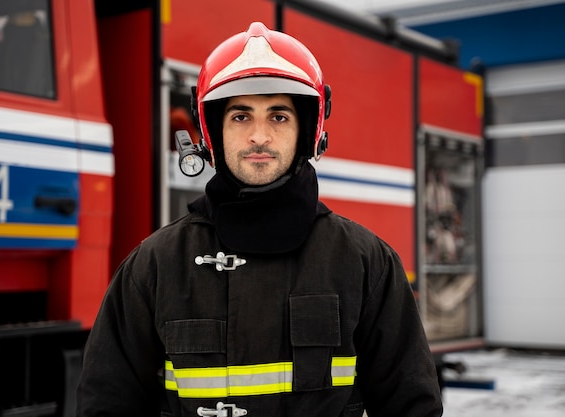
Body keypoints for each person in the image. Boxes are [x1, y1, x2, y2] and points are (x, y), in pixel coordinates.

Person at [77, 22, 443, 417]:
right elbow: (106, 405)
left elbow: (412, 408)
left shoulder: (366, 264)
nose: (259, 136)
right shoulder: (153, 267)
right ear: (212, 131)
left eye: (279, 117)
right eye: (240, 116)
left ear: (308, 130)